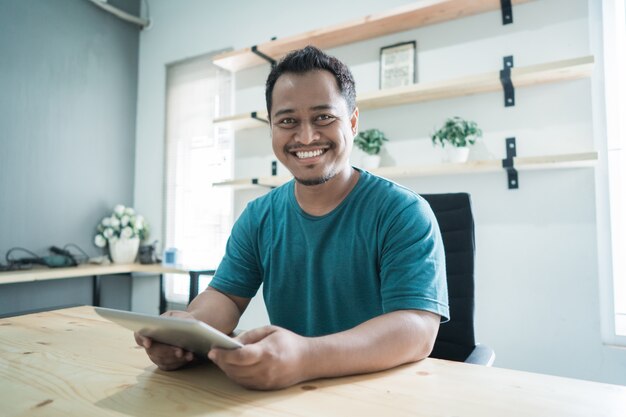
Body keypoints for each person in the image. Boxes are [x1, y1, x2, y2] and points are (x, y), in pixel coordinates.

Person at [136, 45, 449, 390]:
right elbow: (225, 297)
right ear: (271, 128)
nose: (306, 136)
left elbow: (417, 329)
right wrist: (186, 331)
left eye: (323, 117)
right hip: (292, 393)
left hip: (379, 394)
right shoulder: (260, 215)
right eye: (287, 121)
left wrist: (306, 356)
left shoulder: (403, 212)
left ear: (353, 122)